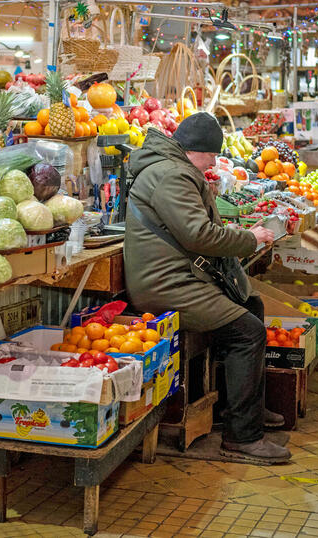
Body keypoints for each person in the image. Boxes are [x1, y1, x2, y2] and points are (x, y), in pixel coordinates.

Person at [124, 113, 291, 463]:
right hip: (167, 284)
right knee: (248, 332)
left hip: (181, 275)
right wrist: (249, 238)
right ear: (195, 150)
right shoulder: (172, 174)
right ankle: (242, 437)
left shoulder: (172, 168)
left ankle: (244, 410)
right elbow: (197, 234)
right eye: (211, 155)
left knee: (251, 307)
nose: (214, 162)